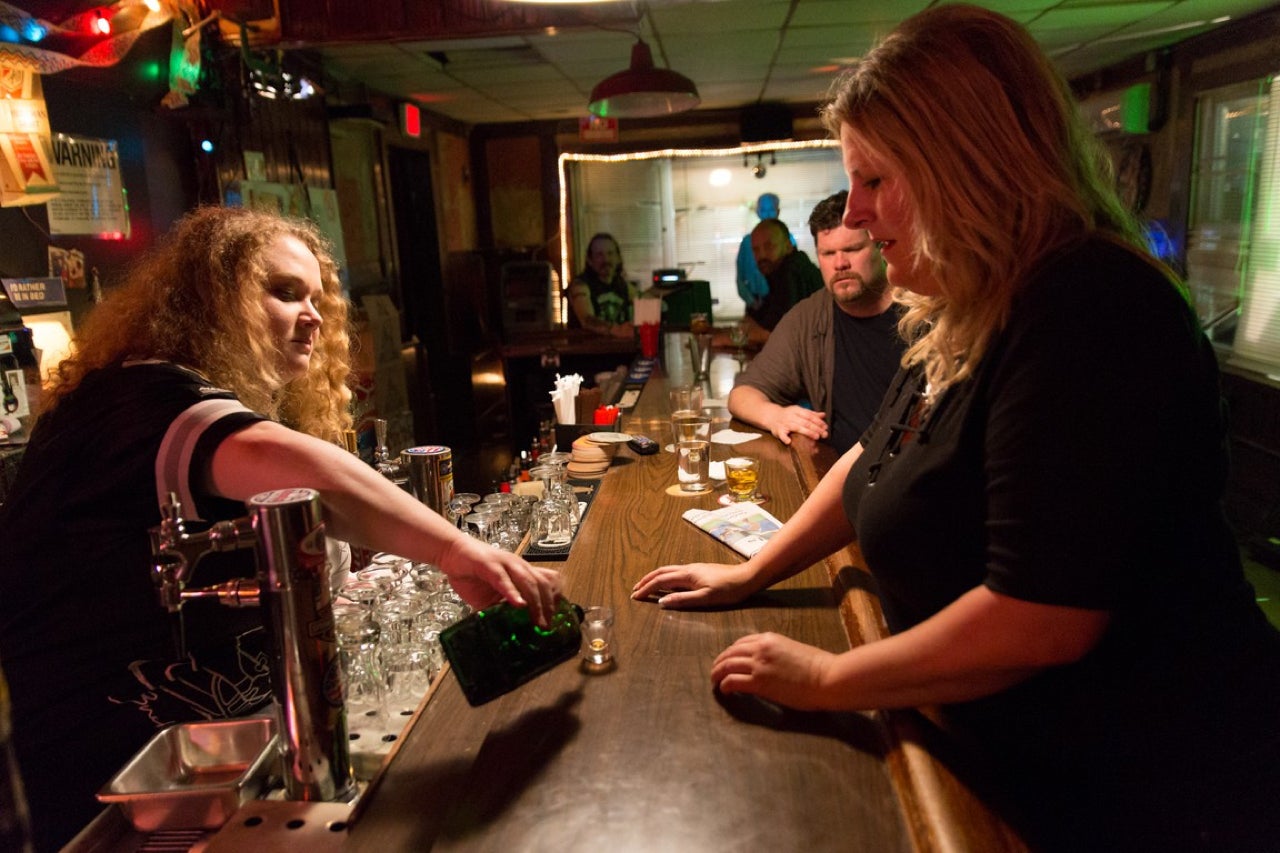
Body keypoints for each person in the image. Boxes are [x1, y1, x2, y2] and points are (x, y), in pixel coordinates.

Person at [633, 6, 1280, 850]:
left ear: (963, 164)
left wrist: (831, 676)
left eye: (876, 179)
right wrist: (751, 572)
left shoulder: (1089, 307)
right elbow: (872, 456)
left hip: (1163, 790)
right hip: (1030, 759)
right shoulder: (971, 302)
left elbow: (1040, 616)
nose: (856, 217)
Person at [0, 206, 563, 852]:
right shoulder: (137, 404)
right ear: (210, 299)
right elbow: (296, 470)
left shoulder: (152, 402)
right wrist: (455, 548)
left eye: (317, 297)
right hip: (104, 794)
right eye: (284, 291)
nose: (314, 314)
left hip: (198, 775)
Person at [729, 191, 903, 453]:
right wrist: (775, 415)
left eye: (852, 249)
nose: (840, 263)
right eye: (828, 253)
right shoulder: (809, 316)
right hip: (841, 474)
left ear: (880, 246)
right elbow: (742, 395)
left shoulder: (918, 308)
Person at [741, 218, 823, 343]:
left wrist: (721, 339)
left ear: (788, 245)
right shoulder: (773, 273)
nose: (762, 255)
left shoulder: (793, 269)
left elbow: (771, 333)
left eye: (769, 246)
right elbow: (753, 321)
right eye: (756, 250)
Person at [566, 232, 637, 338]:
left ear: (618, 258)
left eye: (610, 253)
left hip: (621, 351)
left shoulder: (625, 287)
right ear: (590, 260)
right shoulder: (580, 285)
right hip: (588, 351)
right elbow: (587, 319)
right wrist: (616, 330)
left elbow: (644, 305)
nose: (606, 260)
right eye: (599, 255)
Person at [735, 192, 782, 310]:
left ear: (778, 211)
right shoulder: (747, 242)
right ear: (758, 212)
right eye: (763, 210)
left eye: (771, 209)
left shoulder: (787, 240)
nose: (767, 215)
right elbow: (740, 277)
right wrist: (751, 301)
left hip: (782, 303)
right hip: (755, 303)